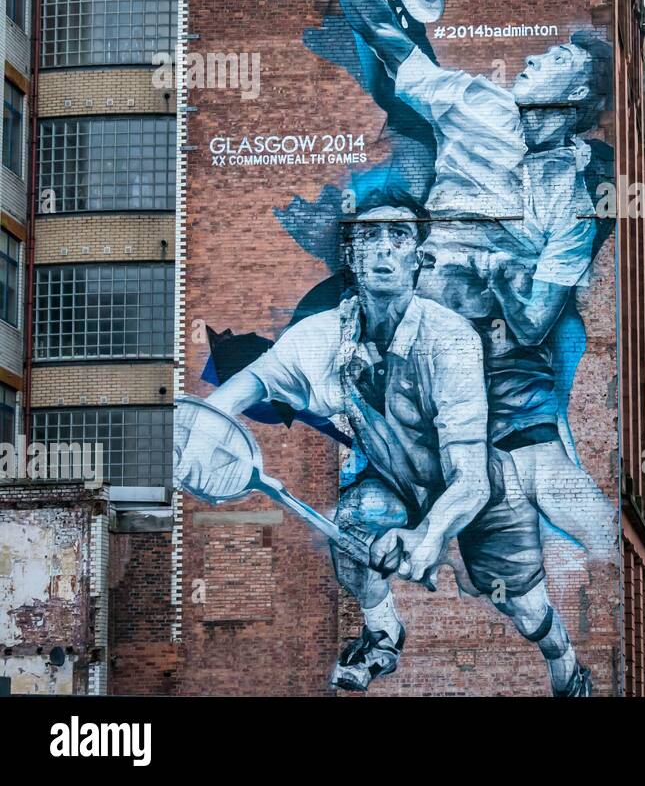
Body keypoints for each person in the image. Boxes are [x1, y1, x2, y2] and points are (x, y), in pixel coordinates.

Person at [288, 0, 618, 567]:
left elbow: (530, 324)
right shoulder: (473, 103)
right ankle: (384, 623)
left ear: (575, 94)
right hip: (411, 345)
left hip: (500, 365)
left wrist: (491, 262)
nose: (532, 58)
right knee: (366, 511)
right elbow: (385, 32)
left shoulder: (571, 202)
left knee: (560, 497)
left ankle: (584, 589)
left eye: (554, 60)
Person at [199, 206, 592, 695]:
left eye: (399, 235)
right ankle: (383, 631)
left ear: (418, 259)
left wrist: (429, 536)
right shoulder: (327, 335)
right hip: (396, 482)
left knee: (526, 610)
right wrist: (200, 430)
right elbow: (255, 379)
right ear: (352, 255)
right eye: (369, 236)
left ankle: (567, 662)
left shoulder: (451, 340)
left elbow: (469, 477)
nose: (384, 246)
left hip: (483, 491)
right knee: (353, 529)